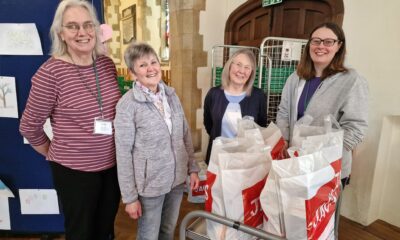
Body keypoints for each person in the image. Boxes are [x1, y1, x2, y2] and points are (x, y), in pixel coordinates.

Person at [19, 0, 121, 239]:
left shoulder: (106, 65)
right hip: (75, 173)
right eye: (73, 26)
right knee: (81, 233)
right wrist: (56, 153)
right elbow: (29, 127)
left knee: (105, 230)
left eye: (88, 25)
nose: (82, 32)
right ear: (61, 33)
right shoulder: (50, 73)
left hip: (113, 167)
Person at [114, 41, 200, 240]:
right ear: (133, 73)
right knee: (149, 235)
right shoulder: (127, 105)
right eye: (143, 65)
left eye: (153, 62)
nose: (151, 68)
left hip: (177, 180)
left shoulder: (171, 95)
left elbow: (185, 134)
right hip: (150, 185)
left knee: (168, 230)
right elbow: (123, 153)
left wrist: (193, 168)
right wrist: (129, 197)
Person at [276, 22, 369, 187]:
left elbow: (356, 128)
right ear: (309, 44)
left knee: (322, 212)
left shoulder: (352, 80)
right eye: (316, 41)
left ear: (339, 46)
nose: (321, 46)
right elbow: (284, 112)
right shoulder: (295, 78)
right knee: (295, 210)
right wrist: (284, 139)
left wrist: (324, 156)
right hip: (295, 161)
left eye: (328, 42)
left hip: (327, 167)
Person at [203, 48, 267, 164]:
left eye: (247, 67)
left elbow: (261, 126)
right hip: (218, 158)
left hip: (247, 161)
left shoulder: (258, 96)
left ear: (251, 72)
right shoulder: (214, 94)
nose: (242, 71)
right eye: (238, 64)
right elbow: (209, 125)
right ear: (230, 66)